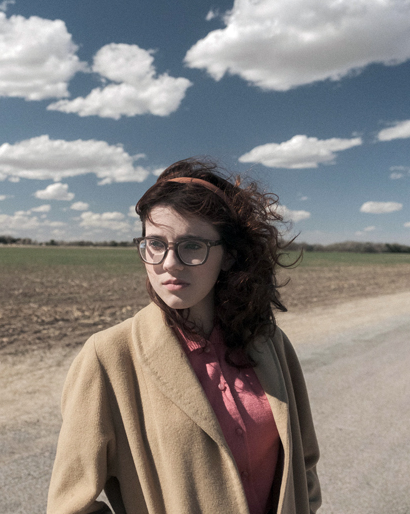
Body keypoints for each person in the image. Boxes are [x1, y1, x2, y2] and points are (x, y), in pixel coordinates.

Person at [47, 158, 321, 514]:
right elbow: (69, 505)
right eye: (155, 244)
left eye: (192, 245)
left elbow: (304, 460)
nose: (169, 263)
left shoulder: (269, 343)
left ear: (228, 256)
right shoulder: (109, 357)